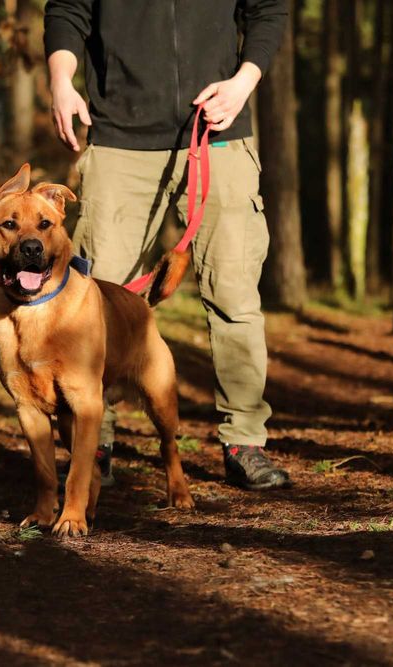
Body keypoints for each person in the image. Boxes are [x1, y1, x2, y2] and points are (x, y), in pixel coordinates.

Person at [44, 0, 291, 490]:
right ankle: (94, 444)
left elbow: (268, 9)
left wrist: (243, 83)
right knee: (94, 303)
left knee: (235, 296)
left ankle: (245, 441)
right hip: (119, 140)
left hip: (219, 133)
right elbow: (67, 9)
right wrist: (60, 82)